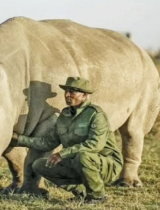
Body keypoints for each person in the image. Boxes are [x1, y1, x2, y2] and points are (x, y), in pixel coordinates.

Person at [11, 77, 123, 205]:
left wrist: (62, 154)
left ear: (84, 95)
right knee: (39, 165)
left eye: (72, 92)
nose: (67, 95)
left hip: (107, 164)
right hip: (77, 162)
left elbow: (95, 145)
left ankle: (97, 196)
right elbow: (48, 142)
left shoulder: (96, 114)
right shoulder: (64, 116)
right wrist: (19, 140)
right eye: (66, 91)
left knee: (84, 156)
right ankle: (82, 194)